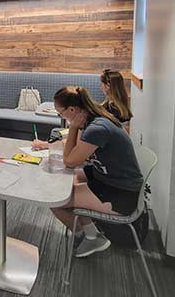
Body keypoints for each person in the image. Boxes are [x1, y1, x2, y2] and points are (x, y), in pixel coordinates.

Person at [31, 86, 143, 258]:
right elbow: (74, 149)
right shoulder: (95, 117)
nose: (62, 117)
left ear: (72, 110)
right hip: (108, 177)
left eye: (61, 114)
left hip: (121, 193)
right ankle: (91, 232)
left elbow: (70, 161)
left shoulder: (97, 128)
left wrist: (74, 126)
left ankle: (89, 236)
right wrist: (70, 130)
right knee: (67, 180)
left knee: (54, 199)